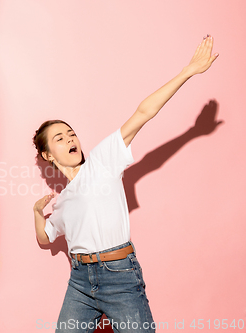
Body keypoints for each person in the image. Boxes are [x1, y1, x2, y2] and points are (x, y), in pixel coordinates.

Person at [32, 36, 218, 332]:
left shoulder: (102, 162)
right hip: (79, 281)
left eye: (71, 133)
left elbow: (142, 114)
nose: (70, 139)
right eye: (60, 138)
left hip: (118, 273)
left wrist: (188, 71)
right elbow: (45, 238)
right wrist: (35, 213)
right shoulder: (63, 200)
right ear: (47, 155)